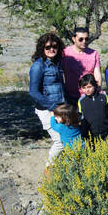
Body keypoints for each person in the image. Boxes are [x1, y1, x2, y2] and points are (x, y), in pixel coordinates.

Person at [29, 33, 66, 165]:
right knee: (59, 142)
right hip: (47, 110)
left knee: (66, 140)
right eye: (48, 47)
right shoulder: (38, 66)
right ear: (42, 48)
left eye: (54, 46)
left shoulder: (57, 63)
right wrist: (52, 107)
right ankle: (49, 169)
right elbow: (33, 92)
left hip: (61, 107)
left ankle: (61, 169)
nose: (51, 49)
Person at [61, 27, 101, 105]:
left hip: (89, 95)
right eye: (81, 39)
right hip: (70, 96)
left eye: (86, 39)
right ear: (74, 39)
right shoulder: (65, 53)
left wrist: (98, 90)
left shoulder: (94, 54)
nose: (84, 41)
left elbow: (97, 74)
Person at [78, 74, 108, 140]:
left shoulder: (103, 97)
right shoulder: (81, 101)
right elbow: (80, 116)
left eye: (89, 87)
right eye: (84, 88)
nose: (87, 90)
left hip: (105, 132)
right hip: (89, 135)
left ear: (95, 86)